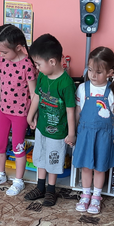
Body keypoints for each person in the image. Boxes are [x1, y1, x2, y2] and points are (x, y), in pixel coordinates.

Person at [24, 34, 76, 207]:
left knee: (53, 160)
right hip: (41, 128)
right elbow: (37, 96)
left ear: (52, 61)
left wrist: (71, 133)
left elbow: (70, 111)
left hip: (58, 132)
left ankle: (51, 190)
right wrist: (30, 115)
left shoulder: (66, 83)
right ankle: (40, 187)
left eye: (38, 64)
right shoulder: (42, 76)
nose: (36, 68)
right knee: (39, 157)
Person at [0, 24, 37, 196]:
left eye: (5, 52)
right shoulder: (2, 61)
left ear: (19, 47)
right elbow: (0, 83)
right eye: (0, 52)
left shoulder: (27, 65)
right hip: (3, 111)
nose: (1, 55)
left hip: (20, 114)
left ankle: (18, 180)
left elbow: (33, 93)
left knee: (18, 147)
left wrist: (32, 115)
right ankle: (1, 174)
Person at [72, 47, 114, 214]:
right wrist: (72, 132)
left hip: (104, 136)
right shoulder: (82, 88)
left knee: (100, 167)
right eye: (90, 70)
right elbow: (77, 111)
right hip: (85, 135)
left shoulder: (113, 90)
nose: (93, 75)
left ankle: (96, 197)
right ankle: (85, 195)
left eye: (99, 72)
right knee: (86, 167)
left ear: (110, 73)